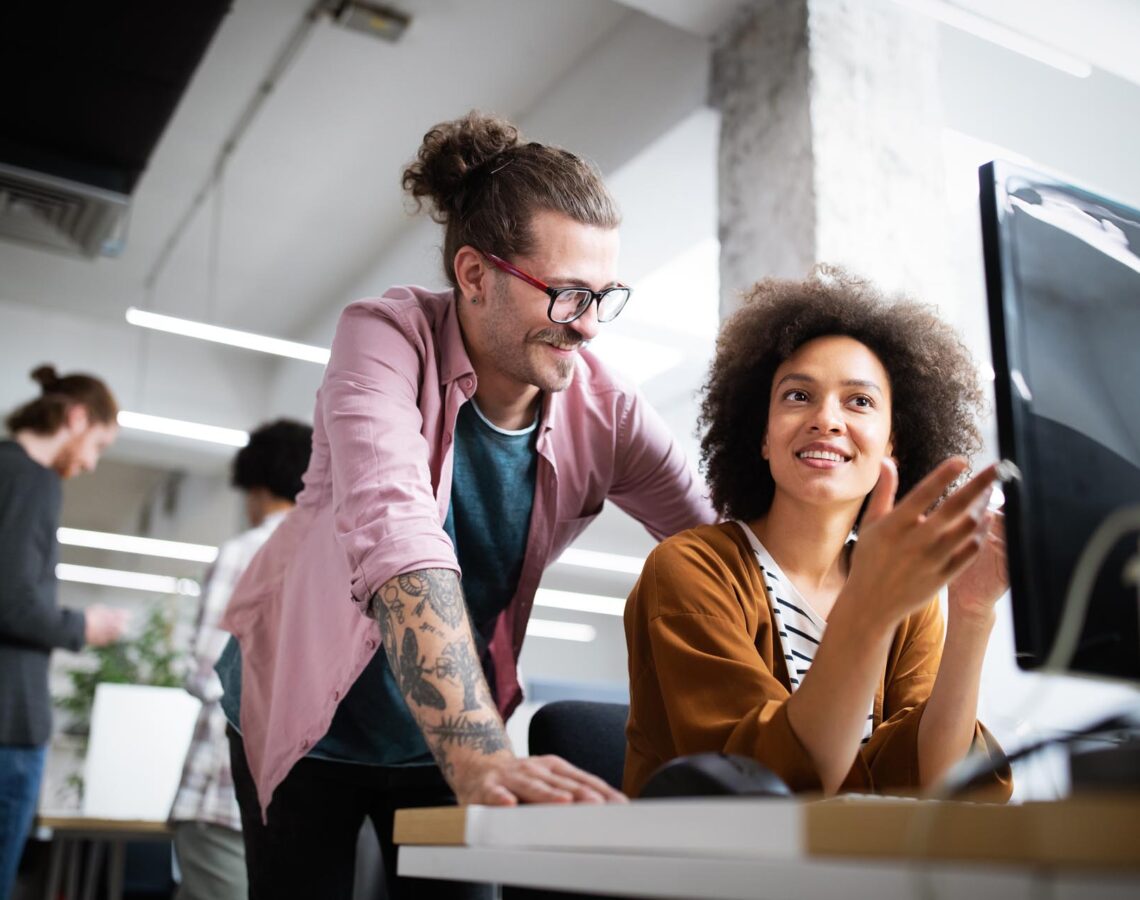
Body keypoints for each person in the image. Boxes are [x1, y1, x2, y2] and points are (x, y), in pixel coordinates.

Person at [216, 111, 715, 899]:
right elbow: (397, 534)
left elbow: (714, 541)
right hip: (308, 714)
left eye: (603, 296)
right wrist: (482, 753)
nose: (588, 327)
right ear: (476, 276)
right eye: (567, 295)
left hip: (436, 733)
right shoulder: (384, 340)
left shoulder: (606, 406)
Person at [624, 268, 1012, 799]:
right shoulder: (691, 569)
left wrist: (971, 614)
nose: (827, 419)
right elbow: (768, 784)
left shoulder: (908, 600)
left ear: (892, 443)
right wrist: (869, 608)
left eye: (859, 401)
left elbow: (937, 782)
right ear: (762, 435)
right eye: (798, 395)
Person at [170, 420, 313, 900]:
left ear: (254, 486)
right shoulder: (331, 555)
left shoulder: (245, 552)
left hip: (220, 787)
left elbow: (209, 672)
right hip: (292, 793)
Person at [0, 365, 129, 897]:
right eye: (97, 444)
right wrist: (84, 625)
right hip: (9, 723)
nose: (91, 463)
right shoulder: (32, 479)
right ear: (75, 418)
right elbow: (13, 602)